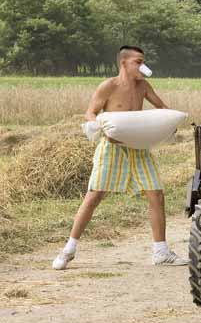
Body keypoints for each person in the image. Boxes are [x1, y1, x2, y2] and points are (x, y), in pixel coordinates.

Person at [52, 45, 188, 270]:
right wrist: (98, 126)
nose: (142, 66)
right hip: (112, 147)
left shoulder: (143, 86)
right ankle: (68, 250)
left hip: (138, 146)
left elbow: (162, 107)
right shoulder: (109, 85)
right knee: (94, 195)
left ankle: (161, 252)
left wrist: (169, 123)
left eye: (143, 61)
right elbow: (91, 112)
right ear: (124, 63)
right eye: (138, 61)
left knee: (156, 193)